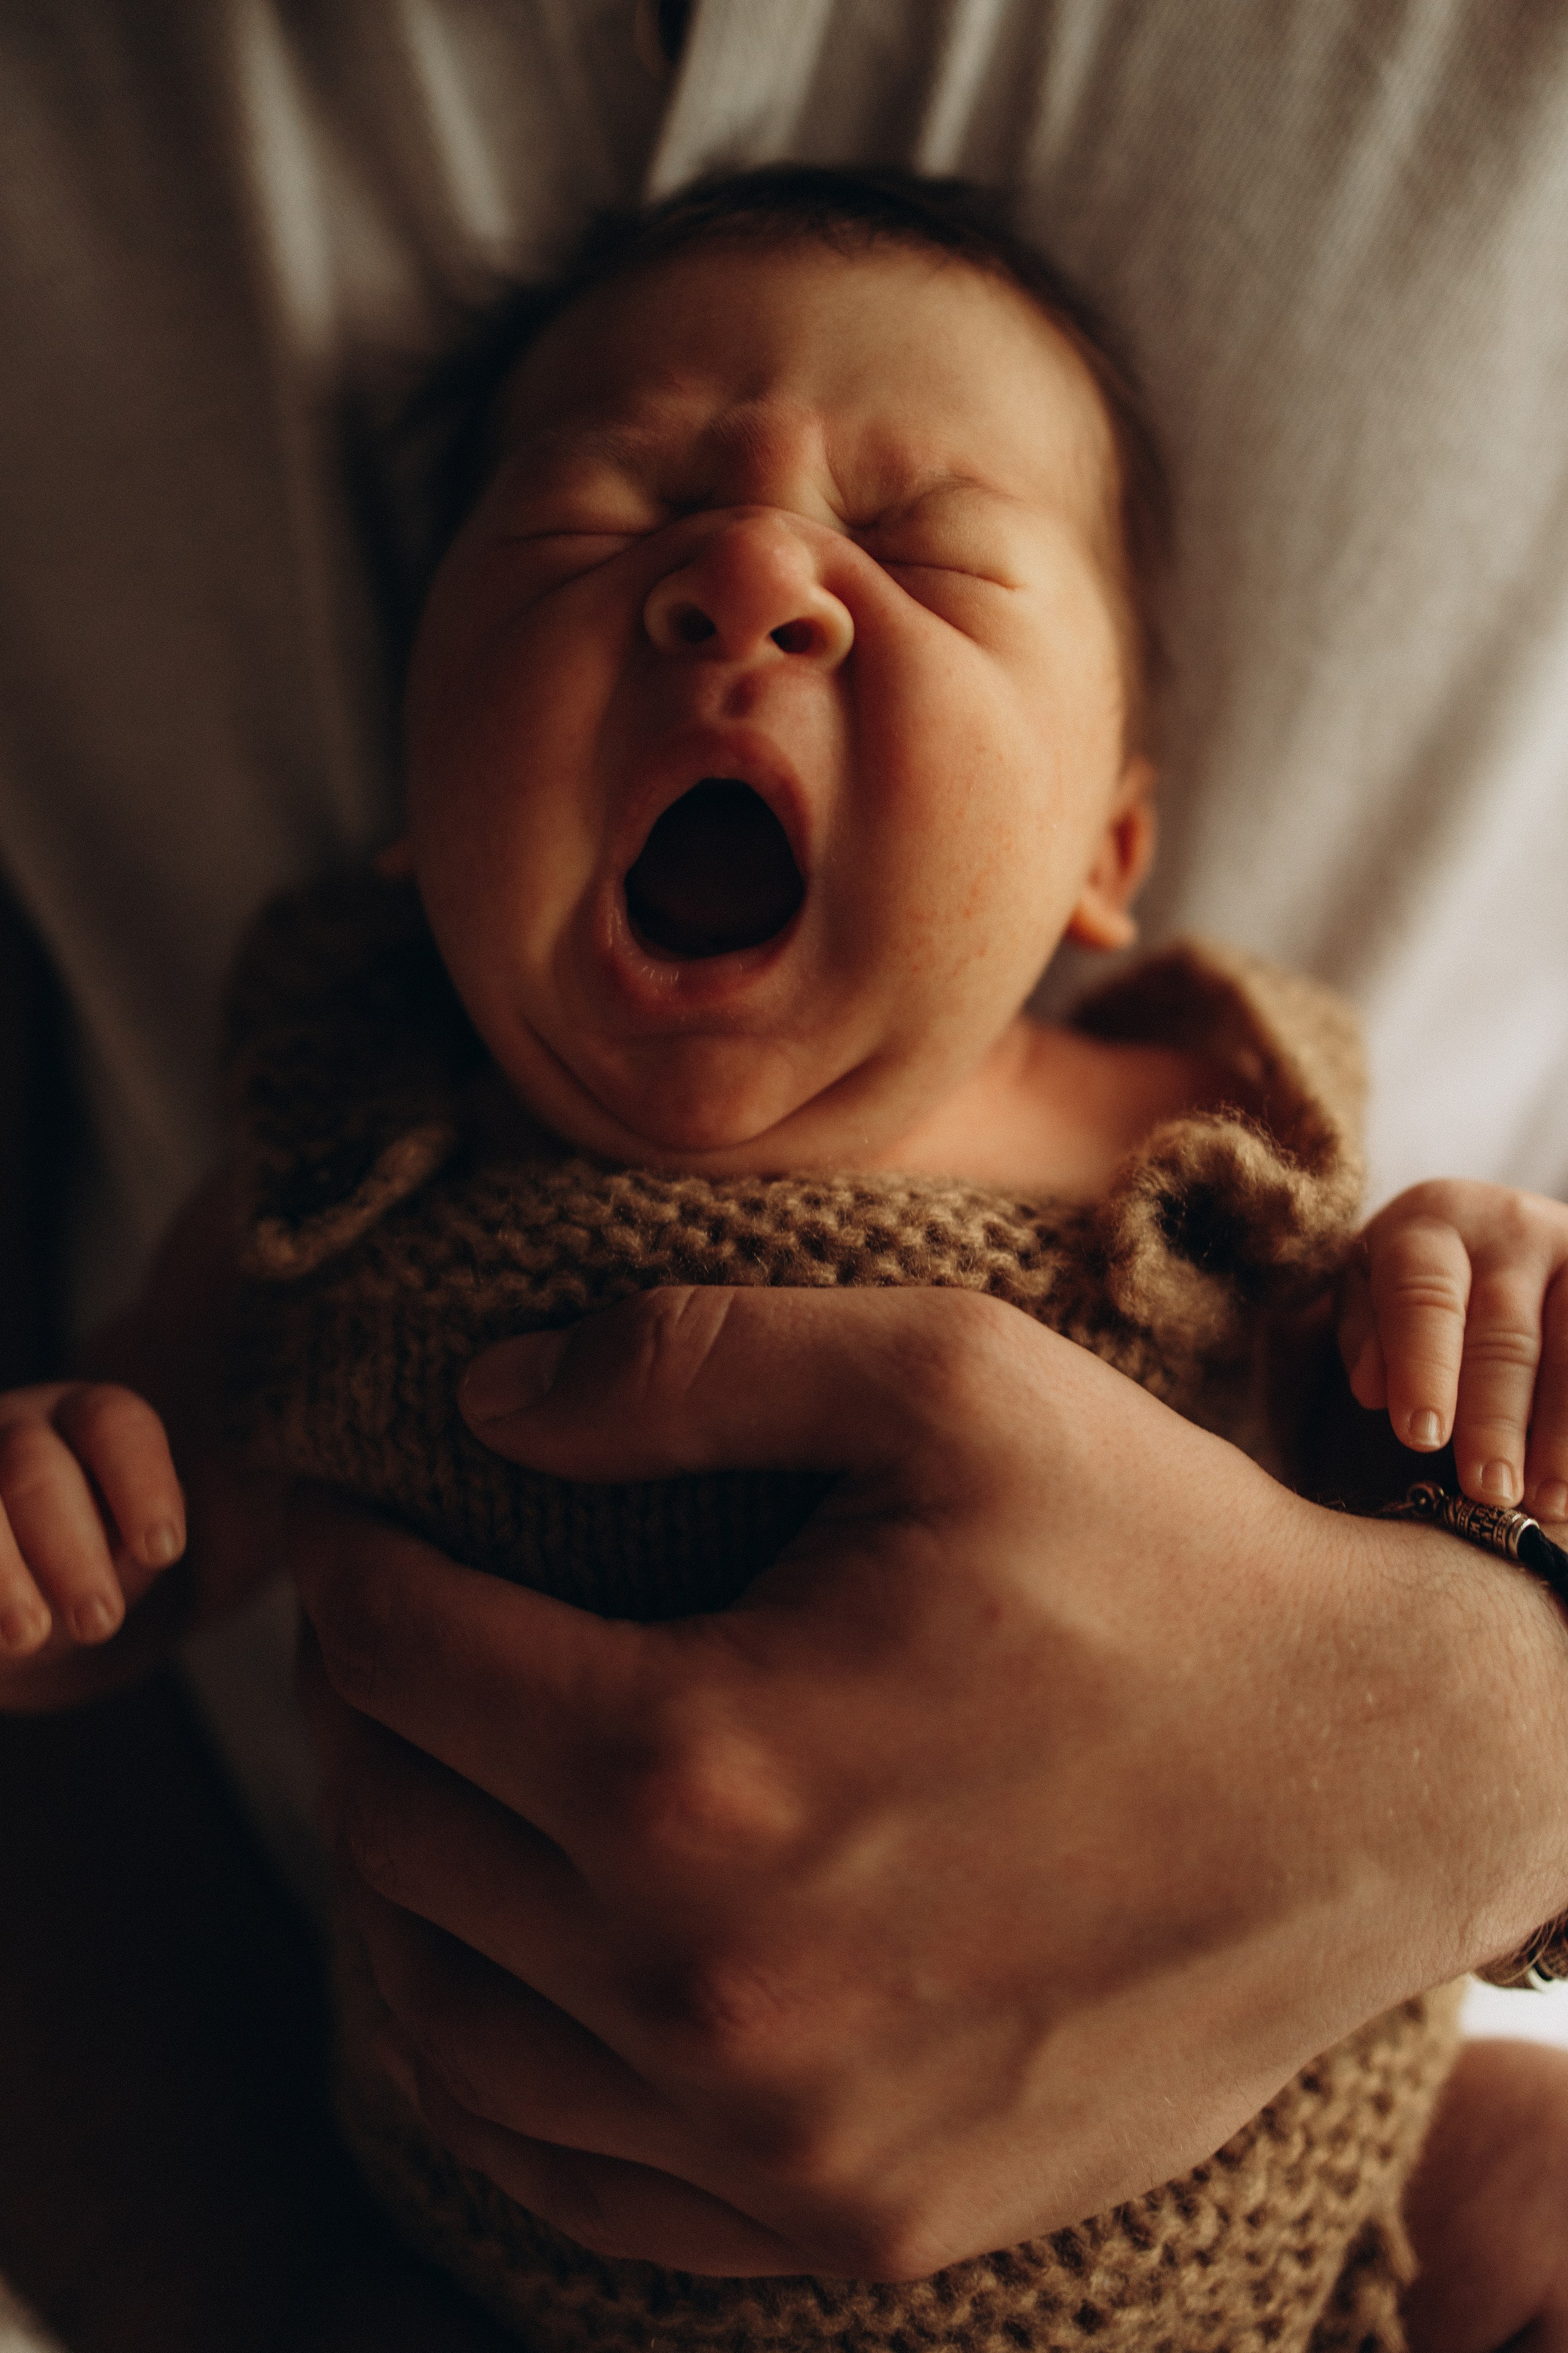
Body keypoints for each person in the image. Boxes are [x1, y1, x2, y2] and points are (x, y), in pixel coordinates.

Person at [3, 7, 1568, 2350]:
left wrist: (1485, 1313)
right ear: (416, 797)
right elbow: (150, 1510)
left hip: (1296, 2234)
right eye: (592, 518)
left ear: (1106, 850)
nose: (750, 577)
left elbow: (1417, 1491)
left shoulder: (1197, 1162)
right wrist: (70, 1528)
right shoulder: (333, 1188)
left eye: (928, 554)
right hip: (489, 2272)